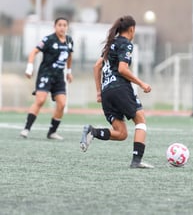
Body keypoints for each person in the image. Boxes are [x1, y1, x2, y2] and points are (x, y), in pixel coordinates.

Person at [80, 15, 153, 169]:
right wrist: (141, 83)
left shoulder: (110, 44)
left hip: (107, 93)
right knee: (140, 121)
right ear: (132, 29)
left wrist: (99, 92)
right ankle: (136, 161)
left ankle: (92, 131)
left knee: (121, 133)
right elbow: (122, 69)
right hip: (120, 88)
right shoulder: (126, 44)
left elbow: (96, 66)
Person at [20, 17, 74, 140]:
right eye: (59, 25)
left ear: (67, 27)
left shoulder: (69, 40)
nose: (62, 27)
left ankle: (52, 132)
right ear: (55, 26)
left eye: (64, 25)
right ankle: (26, 128)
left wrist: (69, 71)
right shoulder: (48, 39)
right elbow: (34, 52)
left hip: (59, 77)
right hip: (46, 74)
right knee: (40, 100)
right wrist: (29, 67)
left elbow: (69, 56)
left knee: (62, 104)